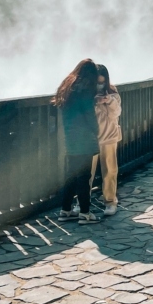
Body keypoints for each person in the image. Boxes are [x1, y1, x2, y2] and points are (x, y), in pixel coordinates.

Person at [52, 59, 101, 224]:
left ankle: (65, 211)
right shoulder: (85, 90)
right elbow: (89, 117)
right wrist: (97, 131)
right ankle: (85, 214)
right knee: (84, 177)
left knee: (71, 176)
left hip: (70, 138)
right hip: (85, 139)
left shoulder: (67, 89)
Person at [91, 64, 121, 217]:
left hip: (109, 137)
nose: (100, 85)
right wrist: (94, 101)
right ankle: (82, 202)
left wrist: (108, 101)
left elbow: (115, 114)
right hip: (92, 138)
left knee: (109, 171)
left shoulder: (113, 92)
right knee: (86, 173)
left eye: (102, 82)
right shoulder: (87, 94)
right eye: (97, 82)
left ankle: (110, 202)